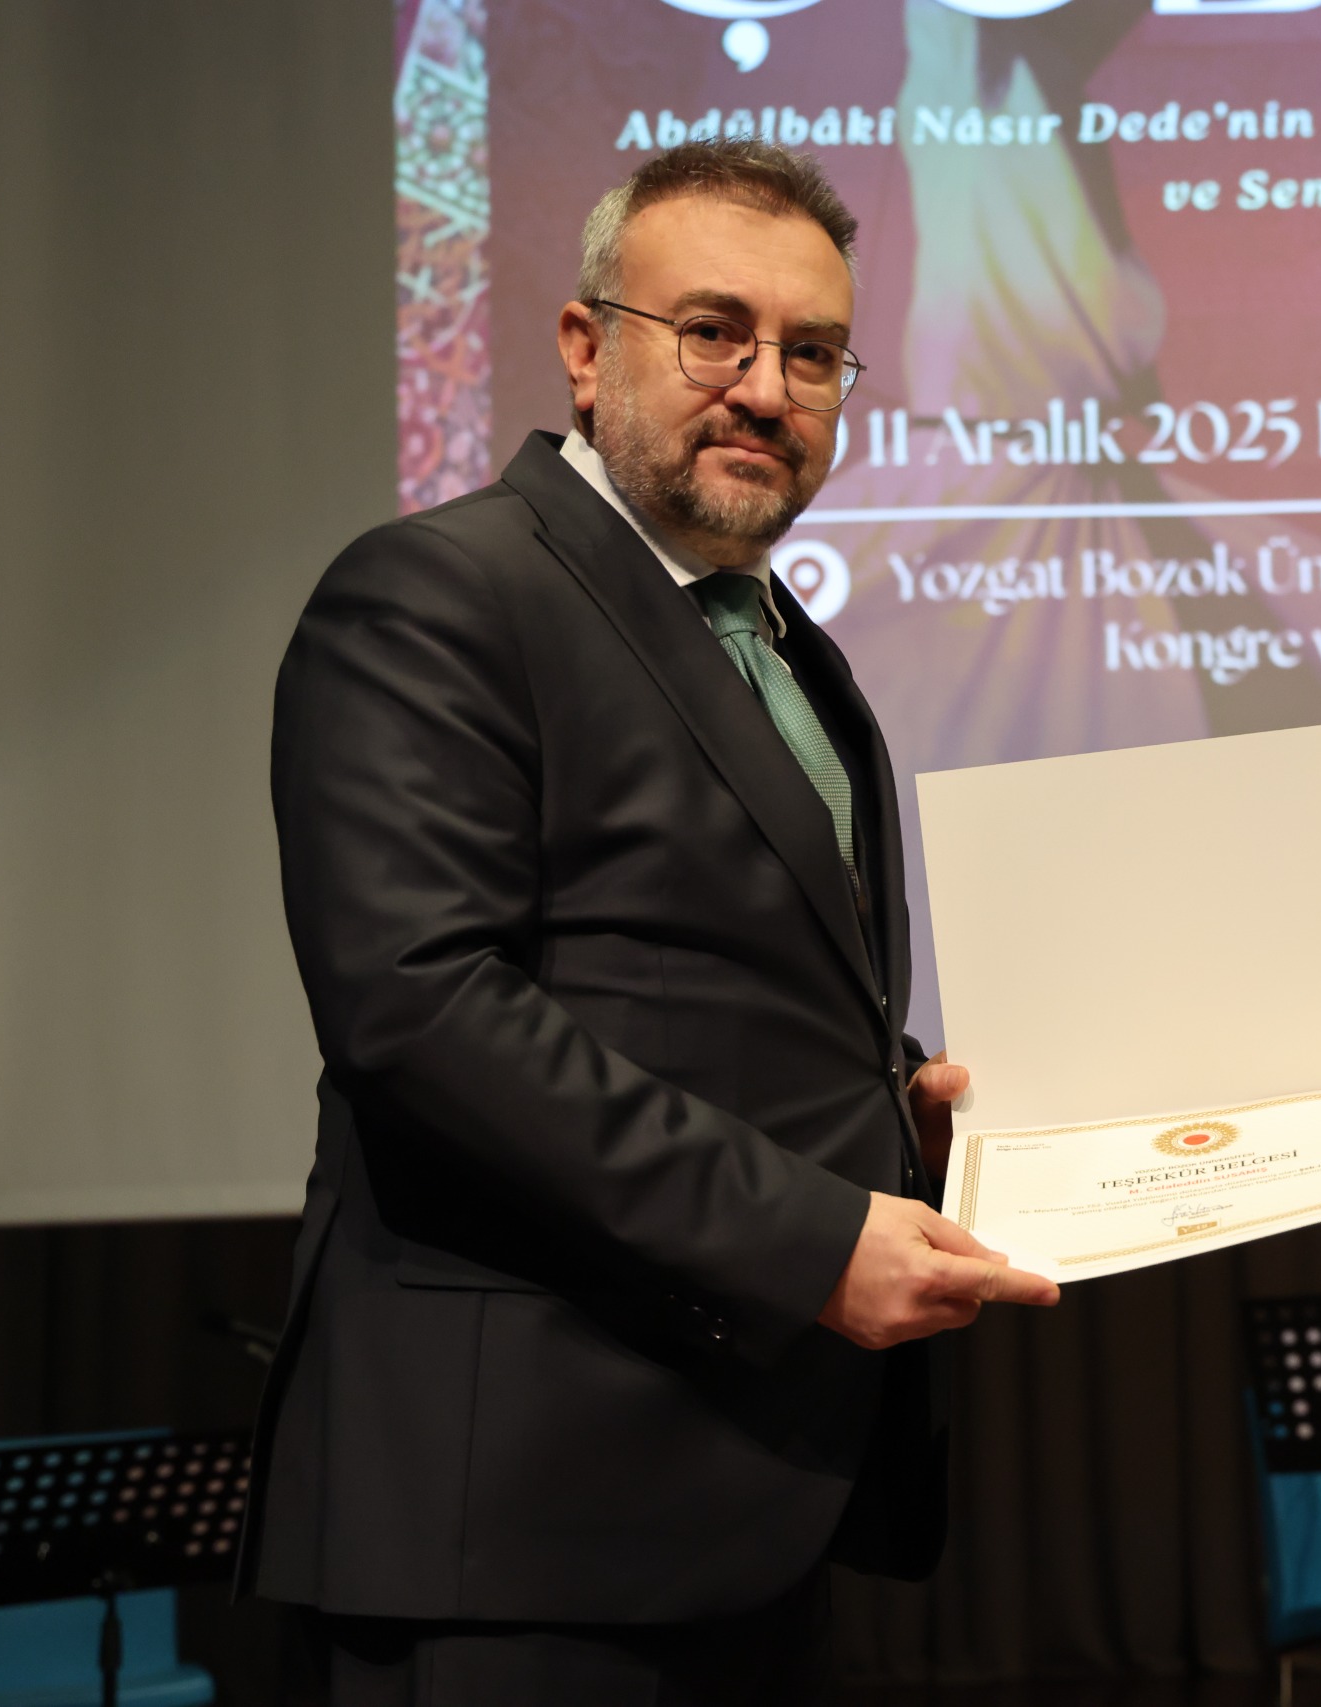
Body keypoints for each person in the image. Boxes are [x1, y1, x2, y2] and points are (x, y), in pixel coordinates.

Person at [245, 139, 1058, 1703]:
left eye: (812, 353)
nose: (765, 388)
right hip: (515, 1530)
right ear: (582, 346)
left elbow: (711, 991)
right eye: (712, 333)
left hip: (739, 1499)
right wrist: (814, 1238)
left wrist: (901, 1107)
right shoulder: (435, 595)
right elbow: (424, 1013)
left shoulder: (785, 646)